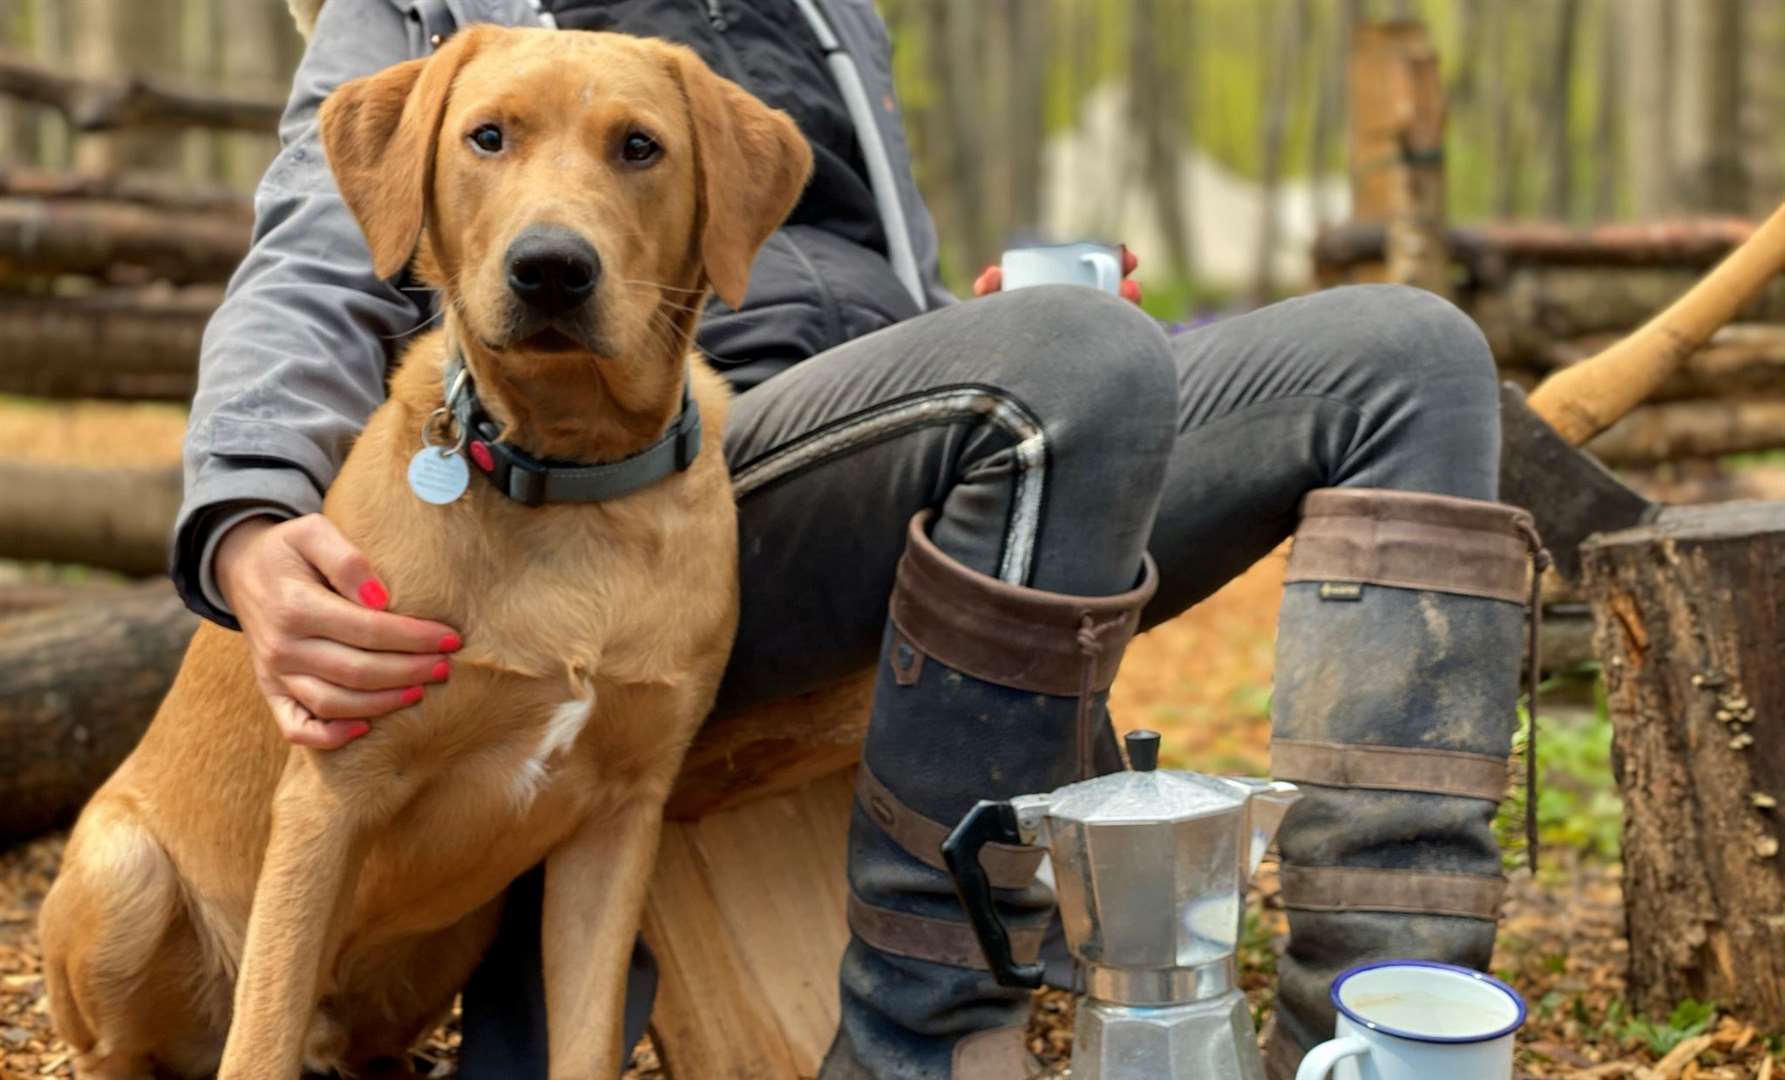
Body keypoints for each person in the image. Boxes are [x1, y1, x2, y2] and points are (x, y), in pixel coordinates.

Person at [178, 1, 1542, 1077]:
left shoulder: (831, 11)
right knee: (1064, 357)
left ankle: (1383, 1030)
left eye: (629, 148)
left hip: (933, 432)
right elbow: (305, 268)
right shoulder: (428, 10)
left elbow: (856, 282)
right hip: (689, 480)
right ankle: (920, 1036)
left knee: (1407, 351)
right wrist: (243, 513)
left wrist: (1001, 323)